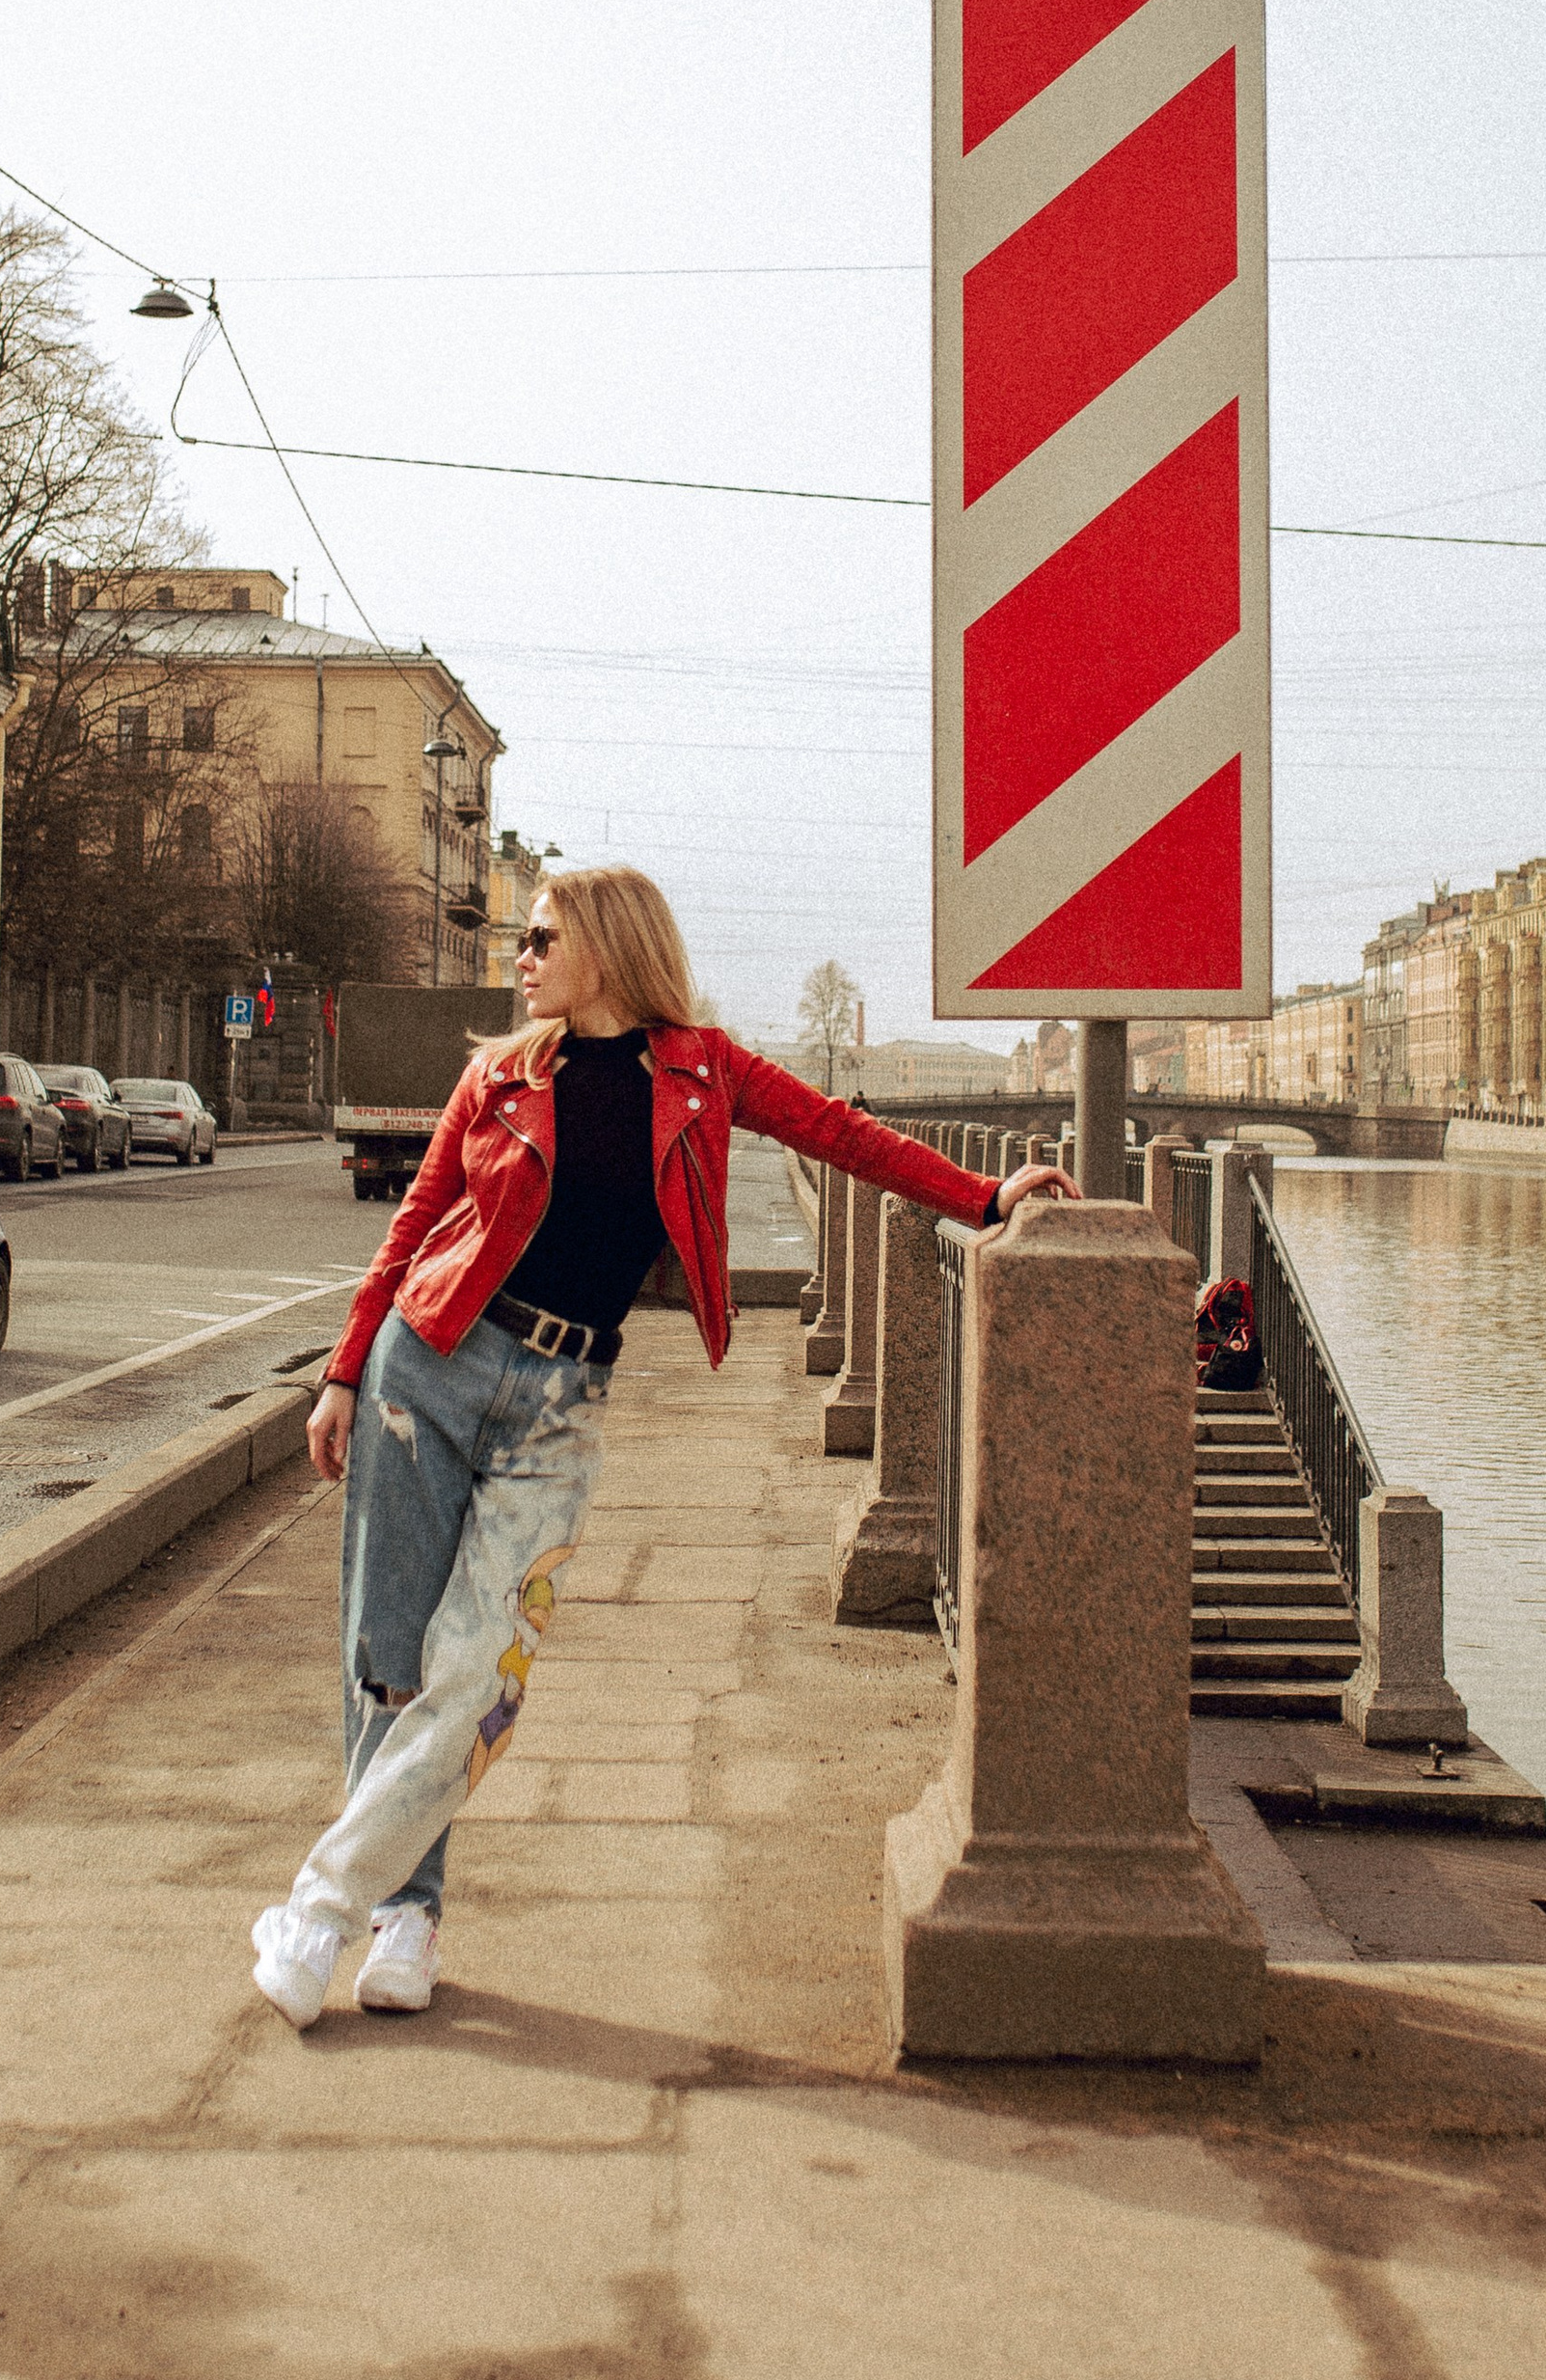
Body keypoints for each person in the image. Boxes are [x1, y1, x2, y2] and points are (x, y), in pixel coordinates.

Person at [250, 864, 1077, 2028]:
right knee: (389, 1650)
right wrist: (342, 1371)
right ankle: (402, 1914)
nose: (521, 955)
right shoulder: (494, 1072)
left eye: (541, 936)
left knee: (485, 1673)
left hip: (559, 1395)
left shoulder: (702, 1068)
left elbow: (839, 1134)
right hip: (424, 1368)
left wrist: (981, 1198)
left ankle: (320, 1906)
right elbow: (409, 1231)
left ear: (605, 948)